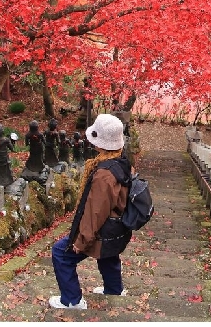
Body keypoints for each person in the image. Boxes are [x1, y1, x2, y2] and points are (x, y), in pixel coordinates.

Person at [50, 114, 132, 309]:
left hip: (102, 227)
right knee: (109, 253)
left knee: (61, 254)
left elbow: (96, 211)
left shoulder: (104, 175)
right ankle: (114, 289)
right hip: (116, 225)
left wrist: (82, 239)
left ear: (100, 143)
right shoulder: (122, 162)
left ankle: (72, 300)